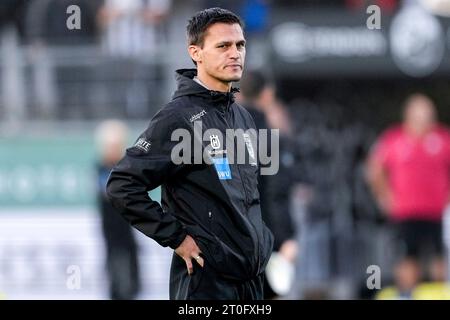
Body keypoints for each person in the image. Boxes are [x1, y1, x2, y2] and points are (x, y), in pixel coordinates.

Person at [106, 7, 274, 300]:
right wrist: (177, 237)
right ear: (196, 52)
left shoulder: (243, 117)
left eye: (240, 45)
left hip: (251, 282)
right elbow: (122, 185)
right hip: (206, 286)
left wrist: (263, 243)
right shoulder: (177, 117)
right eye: (223, 46)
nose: (235, 53)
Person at [367, 93, 450, 284]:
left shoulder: (443, 138)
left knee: (438, 259)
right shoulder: (394, 139)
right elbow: (374, 168)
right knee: (407, 258)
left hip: (436, 213)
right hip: (405, 212)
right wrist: (385, 196)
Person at [238, 70, 298, 298]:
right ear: (267, 95)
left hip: (233, 241)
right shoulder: (270, 139)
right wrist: (286, 239)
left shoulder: (223, 135)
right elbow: (276, 193)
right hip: (267, 240)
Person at [95, 120, 140, 300]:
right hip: (113, 238)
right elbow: (112, 191)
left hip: (127, 235)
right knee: (120, 283)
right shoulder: (102, 171)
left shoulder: (124, 169)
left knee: (132, 283)